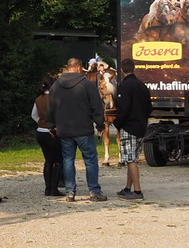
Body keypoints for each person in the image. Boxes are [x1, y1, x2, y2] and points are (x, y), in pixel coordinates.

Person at [50, 57, 108, 201]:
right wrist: (100, 124)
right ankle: (94, 191)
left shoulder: (56, 86)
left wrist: (51, 125)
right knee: (90, 160)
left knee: (68, 160)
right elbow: (96, 105)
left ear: (68, 67)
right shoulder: (87, 84)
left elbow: (51, 107)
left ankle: (70, 192)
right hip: (83, 129)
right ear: (79, 68)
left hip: (64, 129)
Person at [112, 60, 151, 200]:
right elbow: (149, 108)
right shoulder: (142, 86)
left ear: (122, 70)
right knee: (132, 158)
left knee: (130, 160)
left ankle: (138, 192)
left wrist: (117, 123)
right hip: (141, 127)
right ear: (134, 69)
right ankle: (128, 188)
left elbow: (124, 109)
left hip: (129, 127)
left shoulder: (124, 86)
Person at [31, 73, 63, 197]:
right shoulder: (56, 99)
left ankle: (47, 188)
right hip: (53, 132)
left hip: (40, 132)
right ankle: (54, 188)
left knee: (48, 161)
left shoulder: (38, 99)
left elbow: (33, 115)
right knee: (58, 161)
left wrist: (41, 123)